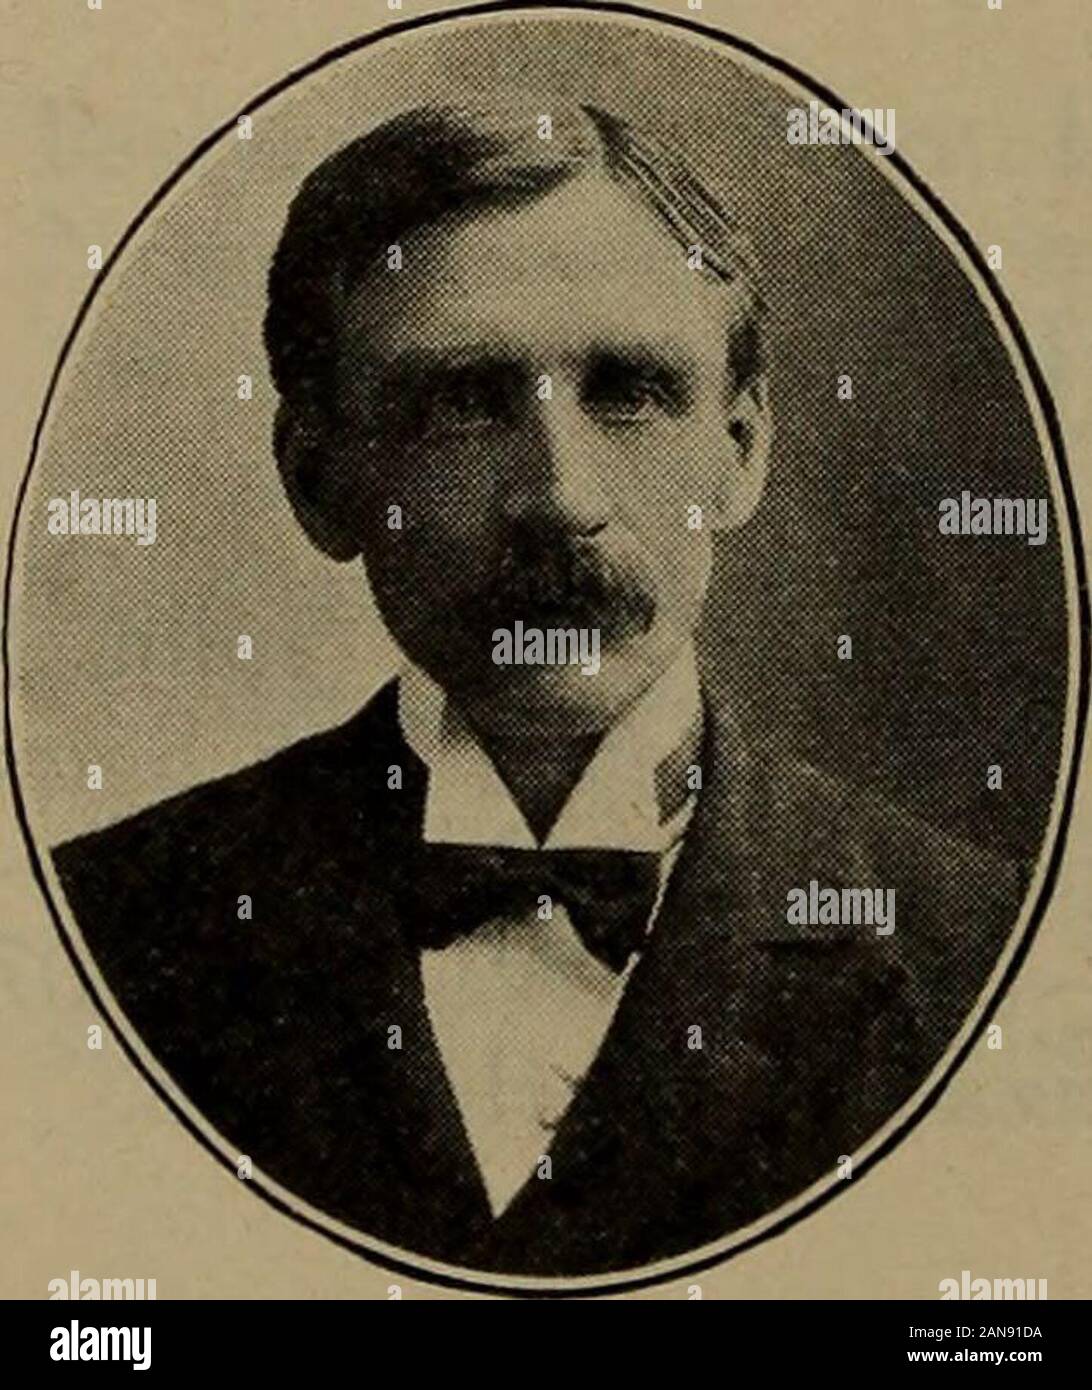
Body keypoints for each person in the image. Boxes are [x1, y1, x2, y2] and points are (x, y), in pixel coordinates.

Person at [53, 100, 1021, 1278]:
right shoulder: (102, 930)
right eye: (462, 401)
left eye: (630, 392)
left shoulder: (978, 946)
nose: (561, 497)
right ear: (320, 478)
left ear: (740, 451)